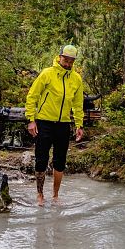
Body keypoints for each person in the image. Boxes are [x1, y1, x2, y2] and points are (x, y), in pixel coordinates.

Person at [25, 44, 84, 206]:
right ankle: (40, 194)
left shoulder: (76, 79)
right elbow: (32, 96)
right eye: (66, 60)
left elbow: (78, 105)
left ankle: (56, 195)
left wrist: (79, 125)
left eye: (71, 61)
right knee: (41, 159)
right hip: (44, 122)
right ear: (59, 57)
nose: (68, 64)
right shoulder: (47, 74)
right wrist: (31, 120)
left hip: (63, 124)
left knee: (60, 161)